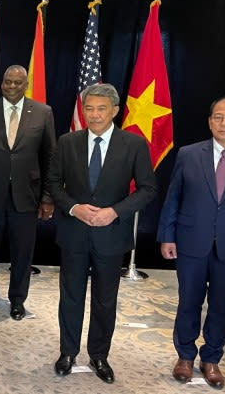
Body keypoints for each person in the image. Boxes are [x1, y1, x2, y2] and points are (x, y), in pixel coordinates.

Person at [48, 83, 156, 383]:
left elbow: (148, 188)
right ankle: (67, 352)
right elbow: (53, 184)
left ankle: (99, 356)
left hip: (112, 235)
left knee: (105, 299)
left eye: (101, 108)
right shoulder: (67, 141)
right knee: (70, 296)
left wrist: (115, 211)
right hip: (74, 233)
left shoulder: (133, 145)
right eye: (89, 108)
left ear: (115, 111)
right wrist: (73, 208)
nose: (94, 114)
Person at [157, 95, 225, 389]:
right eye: (218, 116)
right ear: (209, 121)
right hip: (192, 241)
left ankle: (212, 358)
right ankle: (185, 356)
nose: (224, 122)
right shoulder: (189, 154)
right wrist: (167, 235)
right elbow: (173, 198)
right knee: (188, 301)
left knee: (222, 305)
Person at [0, 65, 56, 319]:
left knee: (22, 253)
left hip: (27, 196)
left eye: (18, 83)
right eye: (8, 82)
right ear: (2, 83)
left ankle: (18, 300)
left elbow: (50, 157)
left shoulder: (43, 113)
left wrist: (48, 197)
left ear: (26, 85)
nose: (13, 87)